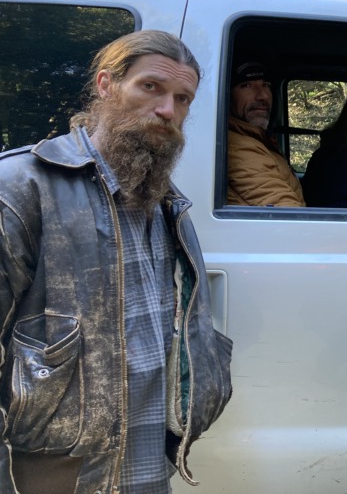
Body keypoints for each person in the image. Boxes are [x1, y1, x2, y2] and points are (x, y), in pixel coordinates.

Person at [0, 30, 233, 493]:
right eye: (151, 87)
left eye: (182, 99)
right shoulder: (21, 186)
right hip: (55, 475)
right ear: (106, 85)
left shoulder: (166, 204)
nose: (168, 111)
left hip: (147, 468)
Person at [227, 61, 305, 206]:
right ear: (228, 97)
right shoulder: (239, 147)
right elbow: (286, 212)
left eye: (266, 85)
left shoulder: (258, 140)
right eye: (246, 85)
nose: (262, 96)